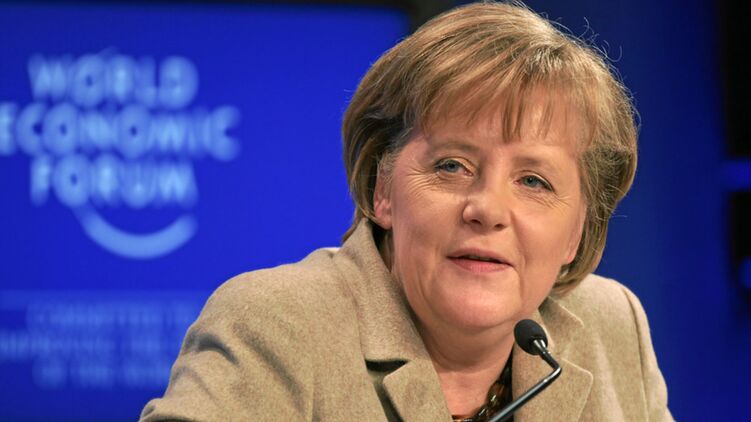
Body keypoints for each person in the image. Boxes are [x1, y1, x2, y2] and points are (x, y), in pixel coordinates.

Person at [140, 2, 672, 421]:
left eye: (533, 181)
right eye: (452, 166)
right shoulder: (276, 326)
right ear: (383, 189)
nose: (487, 209)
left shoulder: (611, 325)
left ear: (577, 231)